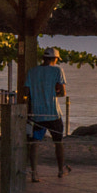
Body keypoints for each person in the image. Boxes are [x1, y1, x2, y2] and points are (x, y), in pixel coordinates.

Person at [25, 48, 70, 182]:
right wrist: (53, 93)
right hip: (53, 114)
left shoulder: (32, 72)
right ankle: (61, 170)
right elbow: (63, 93)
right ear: (54, 59)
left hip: (37, 114)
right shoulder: (57, 70)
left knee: (35, 143)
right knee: (58, 142)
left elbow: (27, 92)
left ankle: (34, 172)